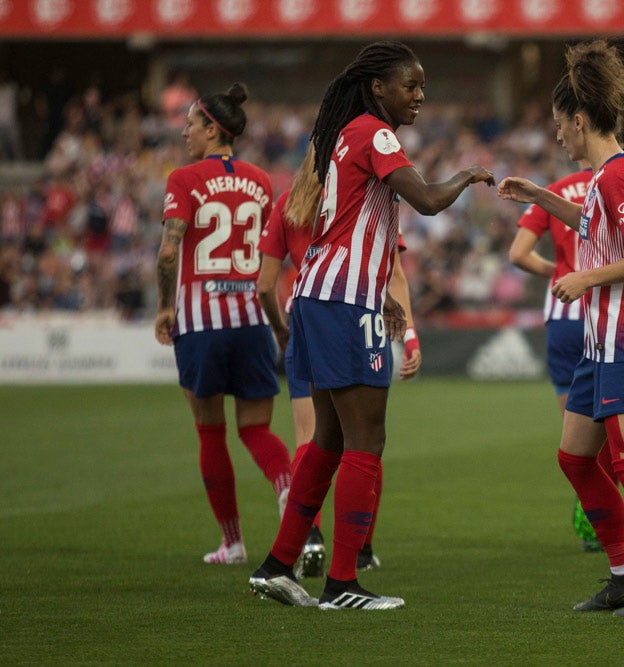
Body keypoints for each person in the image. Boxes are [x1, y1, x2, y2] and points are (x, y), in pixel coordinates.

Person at [248, 41, 494, 611]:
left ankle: (277, 566)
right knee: (367, 438)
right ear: (378, 87)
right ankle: (342, 584)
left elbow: (358, 224)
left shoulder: (342, 135)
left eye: (422, 86)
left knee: (329, 439)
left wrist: (378, 290)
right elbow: (428, 201)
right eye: (410, 85)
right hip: (342, 301)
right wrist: (467, 175)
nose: (419, 96)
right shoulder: (377, 133)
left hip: (316, 294)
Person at [498, 39, 624, 619]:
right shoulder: (605, 178)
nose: (558, 136)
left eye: (561, 126)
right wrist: (539, 196)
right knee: (576, 458)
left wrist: (586, 280)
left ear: (580, 120)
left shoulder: (622, 174)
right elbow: (593, 223)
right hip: (600, 340)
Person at [257, 143, 423, 578]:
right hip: (353, 315)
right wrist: (409, 336)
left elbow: (265, 284)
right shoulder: (360, 194)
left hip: (304, 321)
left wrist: (281, 330)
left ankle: (304, 541)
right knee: (364, 437)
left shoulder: (286, 205)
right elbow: (393, 272)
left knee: (310, 440)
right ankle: (360, 550)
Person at [154, 83, 293, 565]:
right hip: (253, 319)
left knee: (210, 433)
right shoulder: (260, 180)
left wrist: (164, 306)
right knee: (256, 429)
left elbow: (170, 249)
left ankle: (232, 542)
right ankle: (288, 491)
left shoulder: (183, 179)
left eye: (191, 124)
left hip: (201, 321)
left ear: (213, 129)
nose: (185, 131)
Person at [508, 160, 616, 552]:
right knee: (613, 422)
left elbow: (518, 254)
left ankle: (590, 511)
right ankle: (606, 517)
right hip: (608, 310)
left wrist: (559, 270)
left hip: (564, 314)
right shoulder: (622, 184)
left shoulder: (553, 191)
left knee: (577, 430)